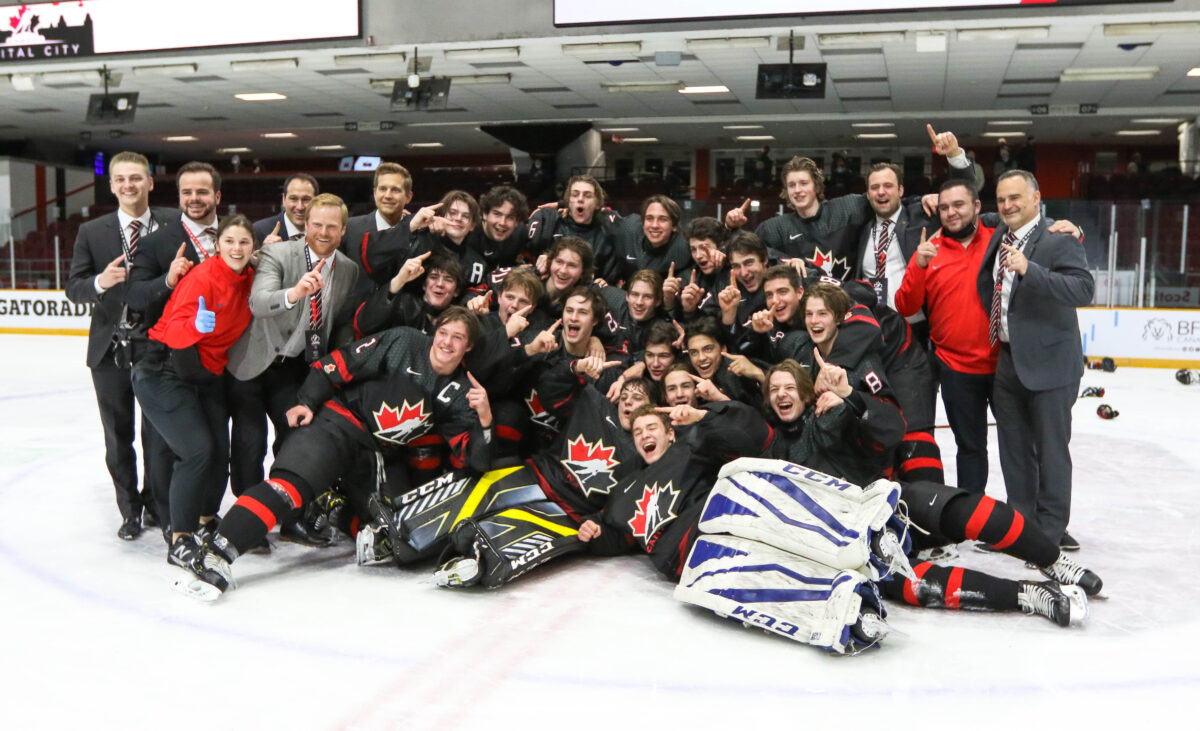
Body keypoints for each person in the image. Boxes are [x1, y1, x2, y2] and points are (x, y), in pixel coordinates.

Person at [177, 308, 496, 599]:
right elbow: (338, 364)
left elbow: (477, 459)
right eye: (444, 333)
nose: (447, 342)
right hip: (338, 423)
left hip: (376, 454)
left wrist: (485, 419)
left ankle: (333, 504)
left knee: (396, 536)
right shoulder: (404, 341)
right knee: (288, 489)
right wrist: (307, 401)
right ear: (434, 331)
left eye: (458, 338)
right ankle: (216, 553)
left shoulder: (462, 392)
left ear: (468, 347)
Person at [757, 358, 1100, 626]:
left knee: (972, 512)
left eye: (788, 387)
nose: (782, 394)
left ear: (804, 391)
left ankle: (1053, 562)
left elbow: (892, 428)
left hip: (888, 501)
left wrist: (850, 397)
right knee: (915, 586)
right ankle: (1029, 595)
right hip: (856, 541)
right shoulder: (771, 447)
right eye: (774, 390)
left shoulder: (831, 412)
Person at [225, 193, 360, 546]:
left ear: (343, 229)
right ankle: (248, 519)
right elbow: (258, 302)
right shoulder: (278, 253)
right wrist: (295, 293)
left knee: (293, 438)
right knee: (249, 442)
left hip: (296, 366)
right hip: (253, 363)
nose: (323, 231)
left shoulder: (347, 268)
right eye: (316, 224)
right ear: (306, 224)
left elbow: (339, 322)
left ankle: (289, 518)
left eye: (332, 226)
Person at [976, 169, 1094, 551]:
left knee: (1051, 450)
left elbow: (1083, 289)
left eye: (1016, 198)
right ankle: (1020, 527)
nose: (1008, 205)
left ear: (1036, 198)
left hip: (1052, 365)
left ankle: (1049, 532)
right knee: (1013, 450)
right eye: (1002, 199)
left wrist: (1032, 270)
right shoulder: (1001, 232)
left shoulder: (1058, 237)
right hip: (1008, 360)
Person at [131, 215, 255, 575]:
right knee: (197, 450)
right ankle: (179, 538)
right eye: (229, 241)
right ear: (218, 245)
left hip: (203, 374)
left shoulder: (248, 276)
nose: (236, 248)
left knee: (218, 451)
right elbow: (172, 329)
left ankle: (203, 519)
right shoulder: (202, 278)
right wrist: (193, 326)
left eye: (244, 242)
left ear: (253, 247)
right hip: (162, 369)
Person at [65, 150, 175, 539]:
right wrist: (100, 281)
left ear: (150, 181)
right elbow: (74, 289)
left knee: (158, 436)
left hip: (158, 347)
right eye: (120, 179)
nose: (128, 185)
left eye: (136, 178)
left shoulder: (174, 223)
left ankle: (159, 508)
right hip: (110, 351)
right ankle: (129, 509)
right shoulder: (92, 232)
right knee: (118, 435)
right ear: (111, 185)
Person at [725, 124, 971, 281]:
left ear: (817, 186)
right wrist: (732, 229)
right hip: (809, 316)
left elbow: (888, 200)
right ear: (785, 191)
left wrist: (925, 197)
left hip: (855, 307)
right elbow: (746, 254)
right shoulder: (774, 227)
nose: (798, 190)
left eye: (804, 183)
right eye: (792, 185)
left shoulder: (849, 207)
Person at [894, 181, 998, 493]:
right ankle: (972, 512)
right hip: (955, 369)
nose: (951, 213)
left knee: (1019, 446)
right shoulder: (929, 251)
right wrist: (919, 265)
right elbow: (905, 305)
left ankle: (1028, 517)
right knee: (970, 446)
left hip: (1004, 366)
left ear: (977, 207)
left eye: (959, 205)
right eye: (944, 207)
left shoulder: (998, 241)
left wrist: (1067, 227)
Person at [252, 173, 318, 245]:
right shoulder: (258, 231)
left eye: (306, 200)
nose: (300, 207)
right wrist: (266, 253)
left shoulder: (324, 232)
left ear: (317, 201)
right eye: (293, 199)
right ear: (284, 199)